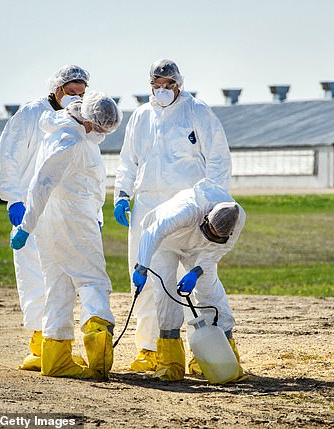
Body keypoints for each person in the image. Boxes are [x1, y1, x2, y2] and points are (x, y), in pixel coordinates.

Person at [113, 59, 232, 372]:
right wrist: (122, 195)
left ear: (180, 83)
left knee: (199, 280)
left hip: (191, 207)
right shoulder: (140, 116)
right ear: (150, 84)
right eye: (158, 84)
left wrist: (214, 203)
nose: (163, 90)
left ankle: (204, 350)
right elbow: (128, 161)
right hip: (147, 208)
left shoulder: (199, 113)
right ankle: (150, 349)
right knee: (150, 279)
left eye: (169, 84)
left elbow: (219, 160)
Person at [10, 92, 122, 379]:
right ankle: (99, 346)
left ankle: (56, 356)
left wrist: (31, 226)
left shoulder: (64, 131)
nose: (100, 134)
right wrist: (25, 227)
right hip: (73, 220)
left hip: (53, 223)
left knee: (58, 285)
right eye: (99, 128)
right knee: (93, 281)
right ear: (88, 121)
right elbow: (41, 185)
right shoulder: (70, 140)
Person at [0, 65, 90, 371]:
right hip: (29, 209)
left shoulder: (76, 119)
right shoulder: (30, 115)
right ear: (57, 89)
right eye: (71, 92)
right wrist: (13, 200)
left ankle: (56, 342)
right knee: (34, 276)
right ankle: (39, 345)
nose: (76, 98)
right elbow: (7, 158)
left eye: (81, 94)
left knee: (61, 277)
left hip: (62, 211)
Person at [131, 178, 245, 381]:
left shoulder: (237, 219)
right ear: (206, 218)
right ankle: (170, 361)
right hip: (166, 243)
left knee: (210, 292)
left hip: (201, 250)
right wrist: (142, 266)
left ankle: (220, 357)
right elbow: (152, 233)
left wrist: (196, 272)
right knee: (166, 291)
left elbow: (215, 253)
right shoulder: (186, 210)